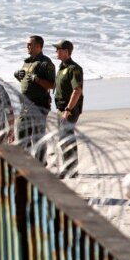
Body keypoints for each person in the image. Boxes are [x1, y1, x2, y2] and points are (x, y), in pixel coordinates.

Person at [14, 35, 55, 161]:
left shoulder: (45, 63)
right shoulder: (27, 62)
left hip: (39, 104)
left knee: (37, 136)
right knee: (22, 134)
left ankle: (40, 163)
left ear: (38, 46)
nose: (27, 46)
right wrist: (17, 75)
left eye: (30, 44)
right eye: (27, 44)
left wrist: (37, 79)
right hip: (26, 105)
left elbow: (52, 85)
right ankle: (24, 162)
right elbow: (24, 81)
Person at [52, 40, 84, 179]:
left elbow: (77, 91)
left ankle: (71, 169)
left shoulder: (73, 68)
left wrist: (68, 110)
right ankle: (69, 167)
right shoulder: (62, 68)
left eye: (58, 49)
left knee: (67, 138)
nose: (56, 52)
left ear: (66, 51)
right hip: (61, 109)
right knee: (63, 138)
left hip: (69, 109)